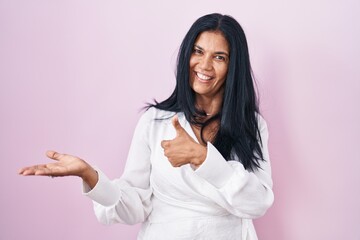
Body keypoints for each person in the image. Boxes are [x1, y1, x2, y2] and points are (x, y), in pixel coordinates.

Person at [19, 13, 274, 240]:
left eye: (219, 57)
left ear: (233, 66)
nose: (204, 65)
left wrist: (203, 158)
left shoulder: (251, 125)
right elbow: (134, 205)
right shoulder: (155, 121)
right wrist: (89, 175)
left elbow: (257, 203)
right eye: (198, 51)